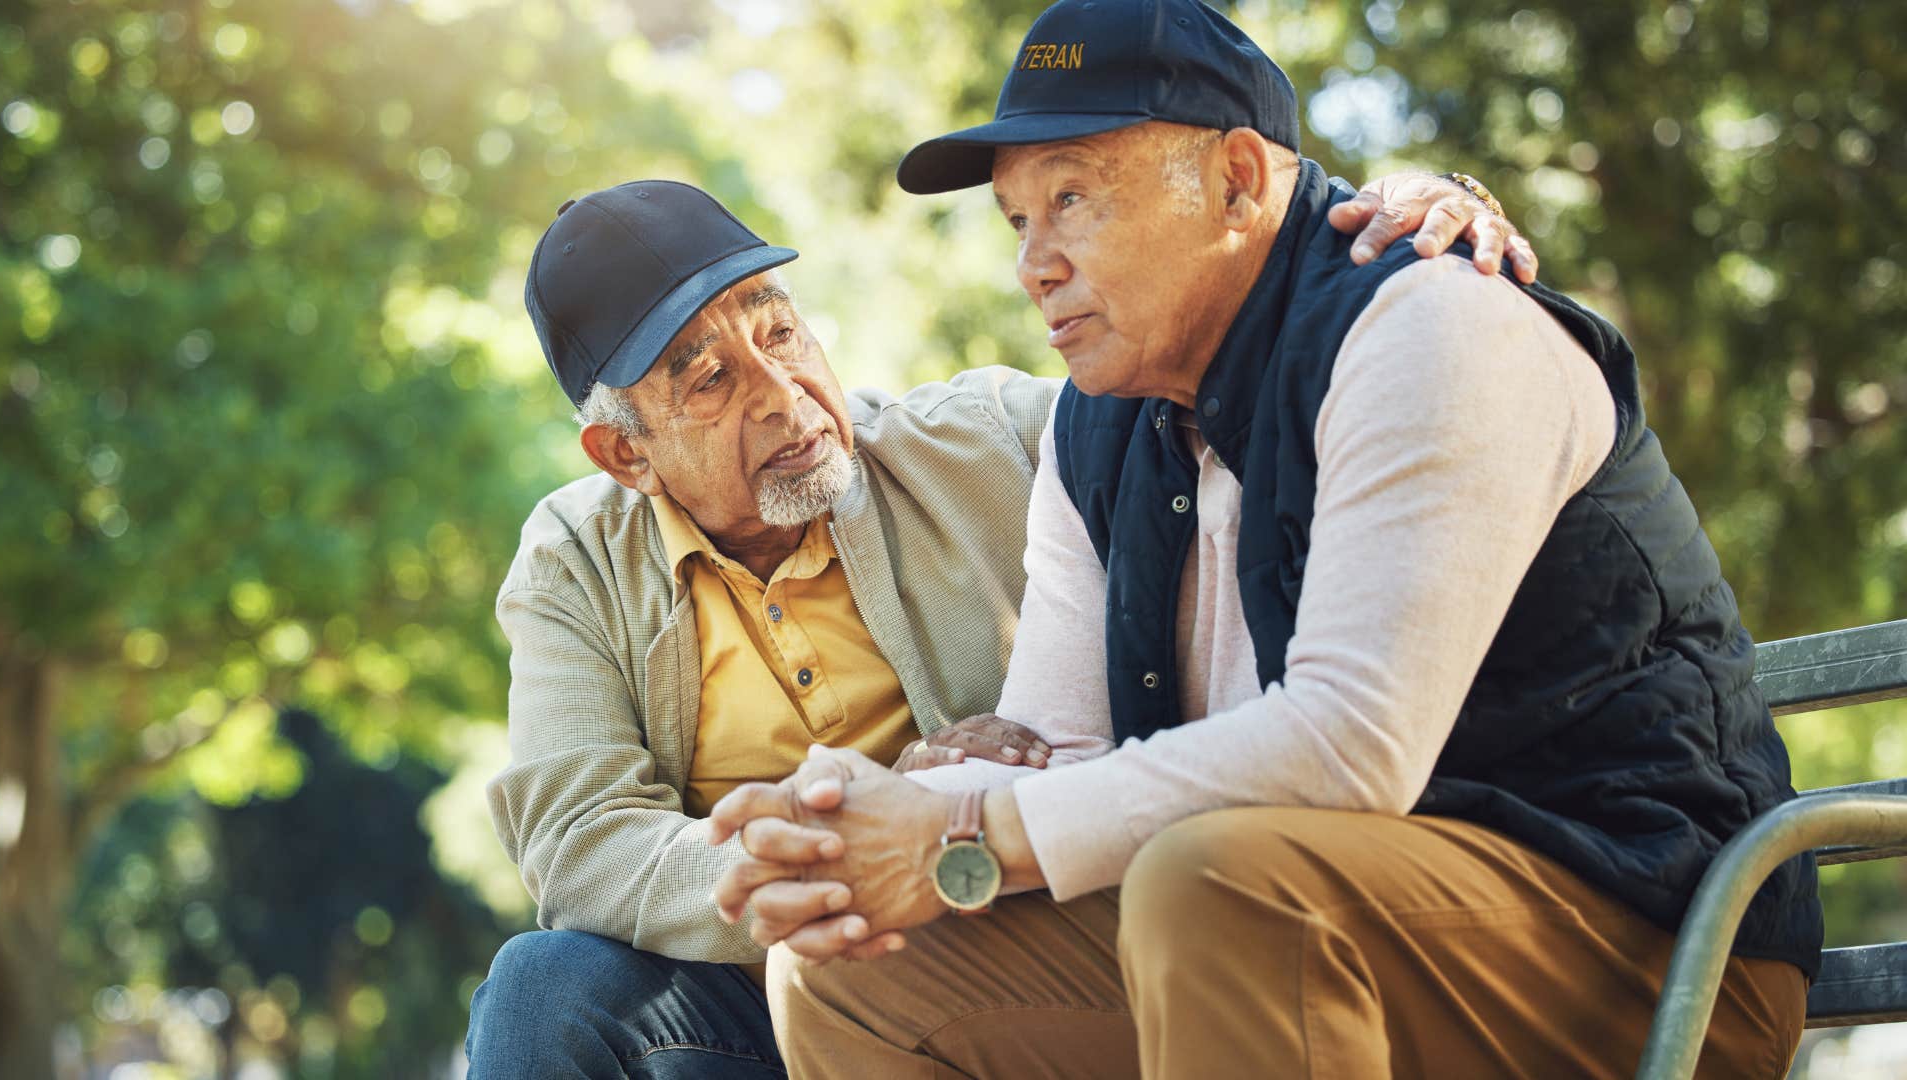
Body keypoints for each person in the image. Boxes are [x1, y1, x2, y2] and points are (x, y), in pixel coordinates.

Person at [709, 2, 1823, 1077]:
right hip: (1291, 931)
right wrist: (876, 826)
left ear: (1238, 182)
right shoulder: (1095, 428)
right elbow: (1060, 760)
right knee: (849, 969)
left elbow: (1351, 743)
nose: (1033, 263)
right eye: (1017, 219)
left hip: (1650, 947)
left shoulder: (1429, 320)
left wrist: (960, 830)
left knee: (1220, 877)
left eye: (1073, 198)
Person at [461, 176, 1533, 1076]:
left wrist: (1379, 248)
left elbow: (1181, 384)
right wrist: (838, 855)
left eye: (781, 331)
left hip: (1017, 935)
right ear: (627, 454)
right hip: (768, 992)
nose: (785, 395)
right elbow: (582, 844)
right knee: (545, 989)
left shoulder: (987, 436)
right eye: (711, 381)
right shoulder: (573, 563)